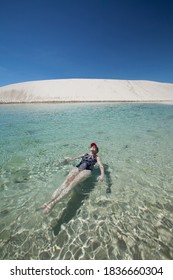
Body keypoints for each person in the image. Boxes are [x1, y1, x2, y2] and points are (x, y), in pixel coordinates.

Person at [40, 143, 104, 214]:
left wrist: (102, 175)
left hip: (87, 171)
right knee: (64, 183)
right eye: (92, 146)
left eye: (94, 147)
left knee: (71, 185)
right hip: (78, 168)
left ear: (97, 150)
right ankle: (48, 202)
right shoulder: (85, 154)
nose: (92, 147)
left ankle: (54, 203)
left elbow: (101, 166)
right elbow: (74, 158)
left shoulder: (97, 157)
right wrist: (69, 159)